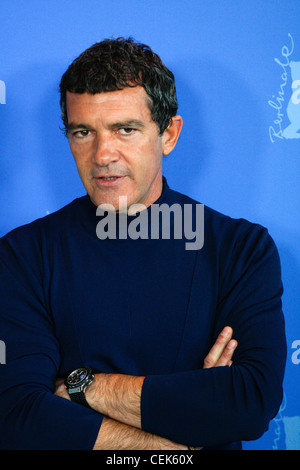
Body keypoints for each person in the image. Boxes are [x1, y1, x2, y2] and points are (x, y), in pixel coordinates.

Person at [0, 37, 286, 450]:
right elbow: (18, 412)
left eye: (125, 129)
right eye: (83, 132)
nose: (102, 154)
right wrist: (174, 447)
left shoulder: (241, 249)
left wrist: (84, 387)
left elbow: (249, 400)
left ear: (168, 134)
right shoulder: (22, 256)